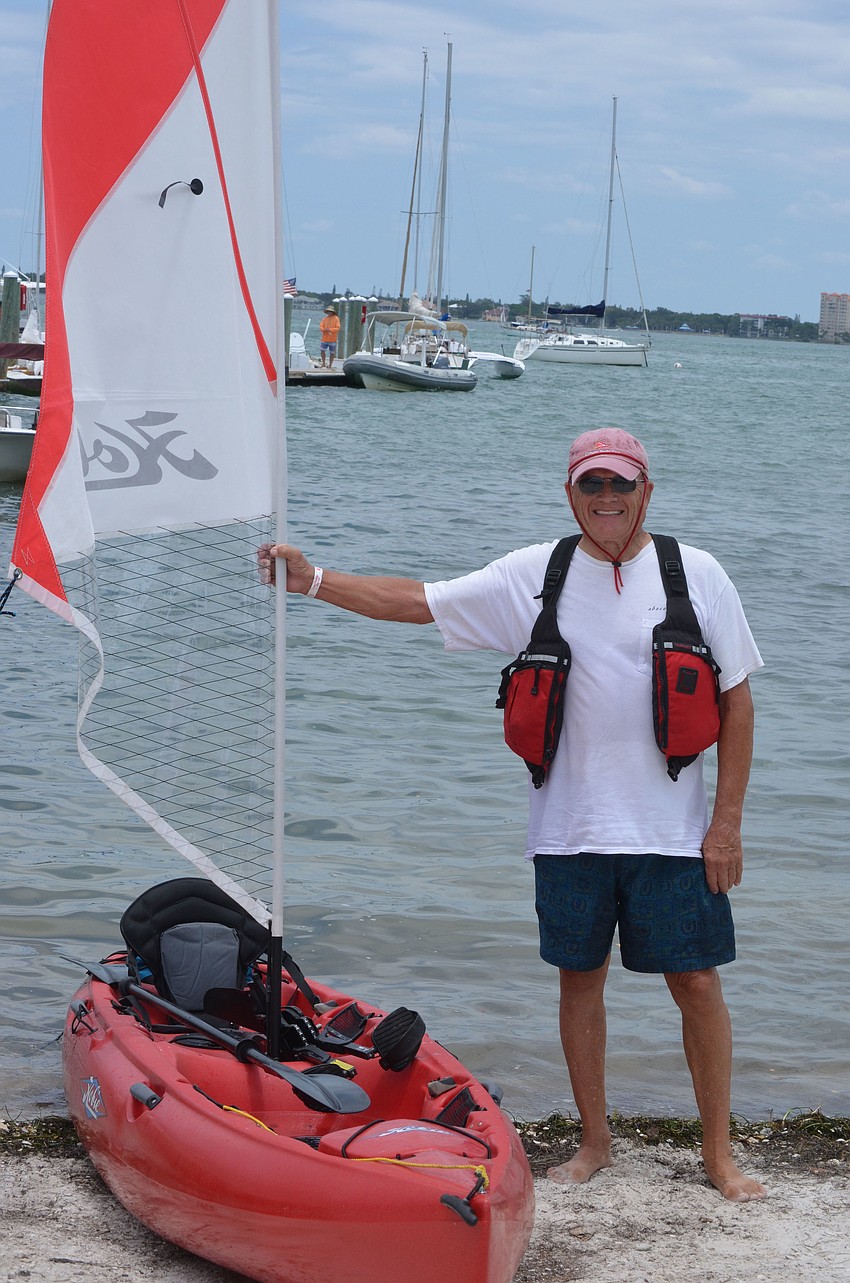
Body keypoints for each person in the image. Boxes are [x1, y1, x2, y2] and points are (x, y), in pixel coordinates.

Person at [257, 427, 767, 1203]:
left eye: (620, 485)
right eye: (591, 485)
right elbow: (419, 602)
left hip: (674, 834)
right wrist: (314, 579)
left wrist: (725, 823)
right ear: (570, 493)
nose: (606, 499)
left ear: (646, 493)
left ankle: (720, 1155)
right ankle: (595, 1141)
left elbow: (736, 699)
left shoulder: (697, 575)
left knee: (697, 981)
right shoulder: (538, 573)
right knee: (578, 981)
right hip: (568, 831)